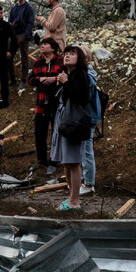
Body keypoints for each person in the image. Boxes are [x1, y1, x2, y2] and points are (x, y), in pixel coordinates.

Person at [50, 45, 91, 211]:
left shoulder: (81, 75)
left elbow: (80, 98)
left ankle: (75, 201)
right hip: (64, 121)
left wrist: (66, 83)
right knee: (66, 162)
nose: (67, 56)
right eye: (66, 53)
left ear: (79, 58)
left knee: (73, 162)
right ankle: (71, 197)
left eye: (72, 53)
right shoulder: (69, 75)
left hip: (74, 123)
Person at [27, 37, 64, 173]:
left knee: (56, 133)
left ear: (53, 47)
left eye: (45, 44)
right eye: (41, 44)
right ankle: (41, 160)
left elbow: (65, 76)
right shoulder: (38, 62)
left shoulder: (60, 61)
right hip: (41, 102)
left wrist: (53, 79)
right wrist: (40, 79)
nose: (42, 46)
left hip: (56, 103)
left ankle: (54, 161)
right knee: (39, 134)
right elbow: (30, 79)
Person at [9, 0, 35, 91]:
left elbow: (30, 22)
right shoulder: (14, 8)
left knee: (24, 58)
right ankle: (12, 79)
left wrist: (26, 35)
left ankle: (23, 80)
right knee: (9, 55)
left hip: (23, 34)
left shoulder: (28, 8)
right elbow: (10, 20)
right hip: (14, 34)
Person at [80, 46, 98, 196]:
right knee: (81, 150)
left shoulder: (88, 75)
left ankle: (88, 183)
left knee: (86, 150)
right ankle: (81, 179)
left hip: (87, 117)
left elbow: (84, 95)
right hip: (82, 117)